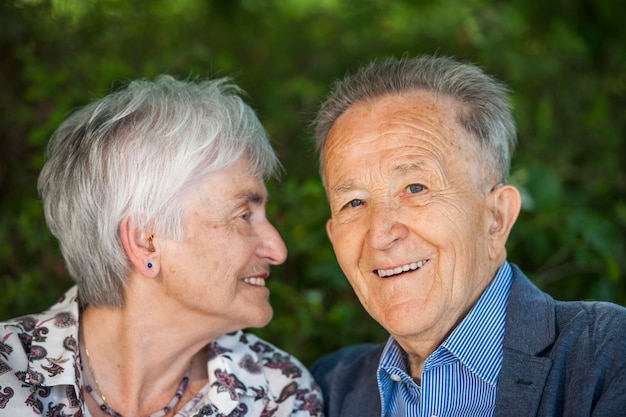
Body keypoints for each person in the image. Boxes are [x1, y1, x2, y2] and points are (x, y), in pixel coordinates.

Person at [310, 55, 626, 417]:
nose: (380, 234)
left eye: (415, 187)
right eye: (354, 202)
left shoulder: (608, 355)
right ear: (334, 237)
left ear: (496, 217)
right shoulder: (327, 388)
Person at [0, 75, 323, 416]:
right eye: (243, 215)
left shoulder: (278, 395)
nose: (278, 249)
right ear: (145, 242)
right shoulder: (10, 373)